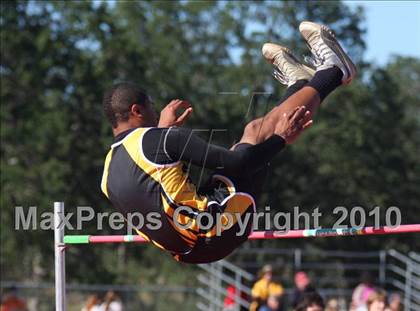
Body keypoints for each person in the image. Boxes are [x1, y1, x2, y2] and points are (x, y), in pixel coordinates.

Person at [100, 20, 356, 264]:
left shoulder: (108, 172)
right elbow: (241, 163)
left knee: (247, 139)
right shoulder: (159, 140)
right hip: (217, 231)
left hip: (194, 246)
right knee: (256, 135)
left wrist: (162, 131)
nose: (157, 113)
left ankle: (299, 83)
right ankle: (334, 71)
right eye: (151, 107)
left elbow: (154, 191)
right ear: (136, 110)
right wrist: (282, 139)